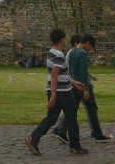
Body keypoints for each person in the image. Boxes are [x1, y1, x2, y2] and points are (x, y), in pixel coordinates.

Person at [24, 28, 88, 156]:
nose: (66, 39)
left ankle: (34, 138)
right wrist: (54, 95)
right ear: (61, 40)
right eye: (64, 38)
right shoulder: (59, 54)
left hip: (55, 89)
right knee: (71, 117)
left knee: (52, 118)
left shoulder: (51, 52)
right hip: (63, 92)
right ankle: (75, 146)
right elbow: (54, 75)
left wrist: (74, 83)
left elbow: (61, 75)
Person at [56, 33, 111, 142]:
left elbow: (70, 70)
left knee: (72, 110)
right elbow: (83, 73)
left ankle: (61, 131)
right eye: (91, 46)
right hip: (82, 86)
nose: (90, 49)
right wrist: (86, 90)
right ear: (87, 43)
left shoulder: (71, 52)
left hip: (73, 85)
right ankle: (97, 133)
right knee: (92, 109)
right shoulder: (83, 53)